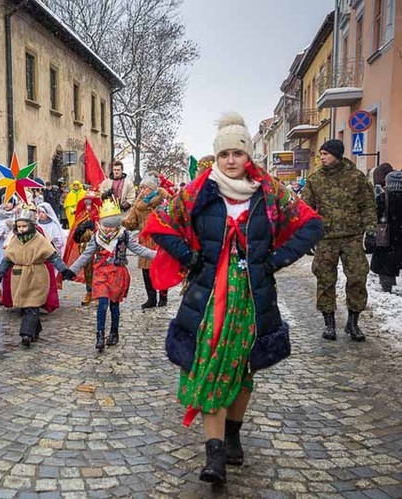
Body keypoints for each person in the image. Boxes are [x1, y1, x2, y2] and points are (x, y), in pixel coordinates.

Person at [144, 113, 323, 485]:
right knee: (208, 366)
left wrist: (276, 260)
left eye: (237, 153)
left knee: (242, 369)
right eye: (224, 153)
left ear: (248, 156)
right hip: (208, 297)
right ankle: (214, 455)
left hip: (252, 299)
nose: (230, 160)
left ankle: (233, 436)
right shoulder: (199, 191)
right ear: (216, 156)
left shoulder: (269, 191)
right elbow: (158, 224)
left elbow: (311, 225)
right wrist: (190, 258)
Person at [302, 139, 376, 342]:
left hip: (352, 237)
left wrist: (370, 229)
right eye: (321, 154)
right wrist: (307, 234)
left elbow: (368, 205)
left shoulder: (356, 178)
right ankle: (329, 323)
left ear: (336, 154)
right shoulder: (315, 180)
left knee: (357, 278)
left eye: (325, 154)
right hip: (326, 238)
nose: (322, 158)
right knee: (325, 279)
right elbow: (306, 210)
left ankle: (353, 322)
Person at [63, 199, 156, 351]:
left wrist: (157, 255)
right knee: (102, 304)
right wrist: (72, 270)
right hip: (100, 274)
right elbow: (86, 255)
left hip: (117, 273)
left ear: (117, 226)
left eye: (112, 227)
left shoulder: (124, 235)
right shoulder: (97, 236)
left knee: (114, 305)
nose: (108, 230)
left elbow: (139, 249)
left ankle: (114, 332)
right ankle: (99, 335)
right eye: (106, 226)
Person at [0, 205, 68, 347]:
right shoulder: (15, 240)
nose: (21, 229)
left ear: (30, 225)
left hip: (37, 275)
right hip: (19, 277)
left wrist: (63, 270)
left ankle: (26, 334)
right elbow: (7, 259)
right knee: (27, 306)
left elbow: (52, 256)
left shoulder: (39, 239)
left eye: (24, 226)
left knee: (32, 304)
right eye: (19, 227)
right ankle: (36, 328)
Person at [121, 175, 170, 308]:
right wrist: (123, 222)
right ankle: (151, 298)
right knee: (146, 270)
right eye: (141, 187)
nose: (142, 190)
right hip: (145, 240)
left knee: (161, 269)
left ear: (152, 188)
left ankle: (163, 297)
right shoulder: (138, 205)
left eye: (145, 187)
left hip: (161, 239)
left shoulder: (162, 201)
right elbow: (131, 222)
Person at [63, 192, 102, 306]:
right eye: (86, 202)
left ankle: (98, 294)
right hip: (85, 247)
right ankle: (89, 292)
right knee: (88, 271)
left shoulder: (100, 214)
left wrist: (94, 225)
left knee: (98, 270)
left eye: (90, 202)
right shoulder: (82, 215)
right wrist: (79, 231)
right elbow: (76, 230)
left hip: (98, 247)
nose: (88, 205)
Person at [370, 164, 402, 293]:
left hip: (386, 236)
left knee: (386, 262)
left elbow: (374, 217)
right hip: (399, 235)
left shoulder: (383, 198)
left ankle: (387, 286)